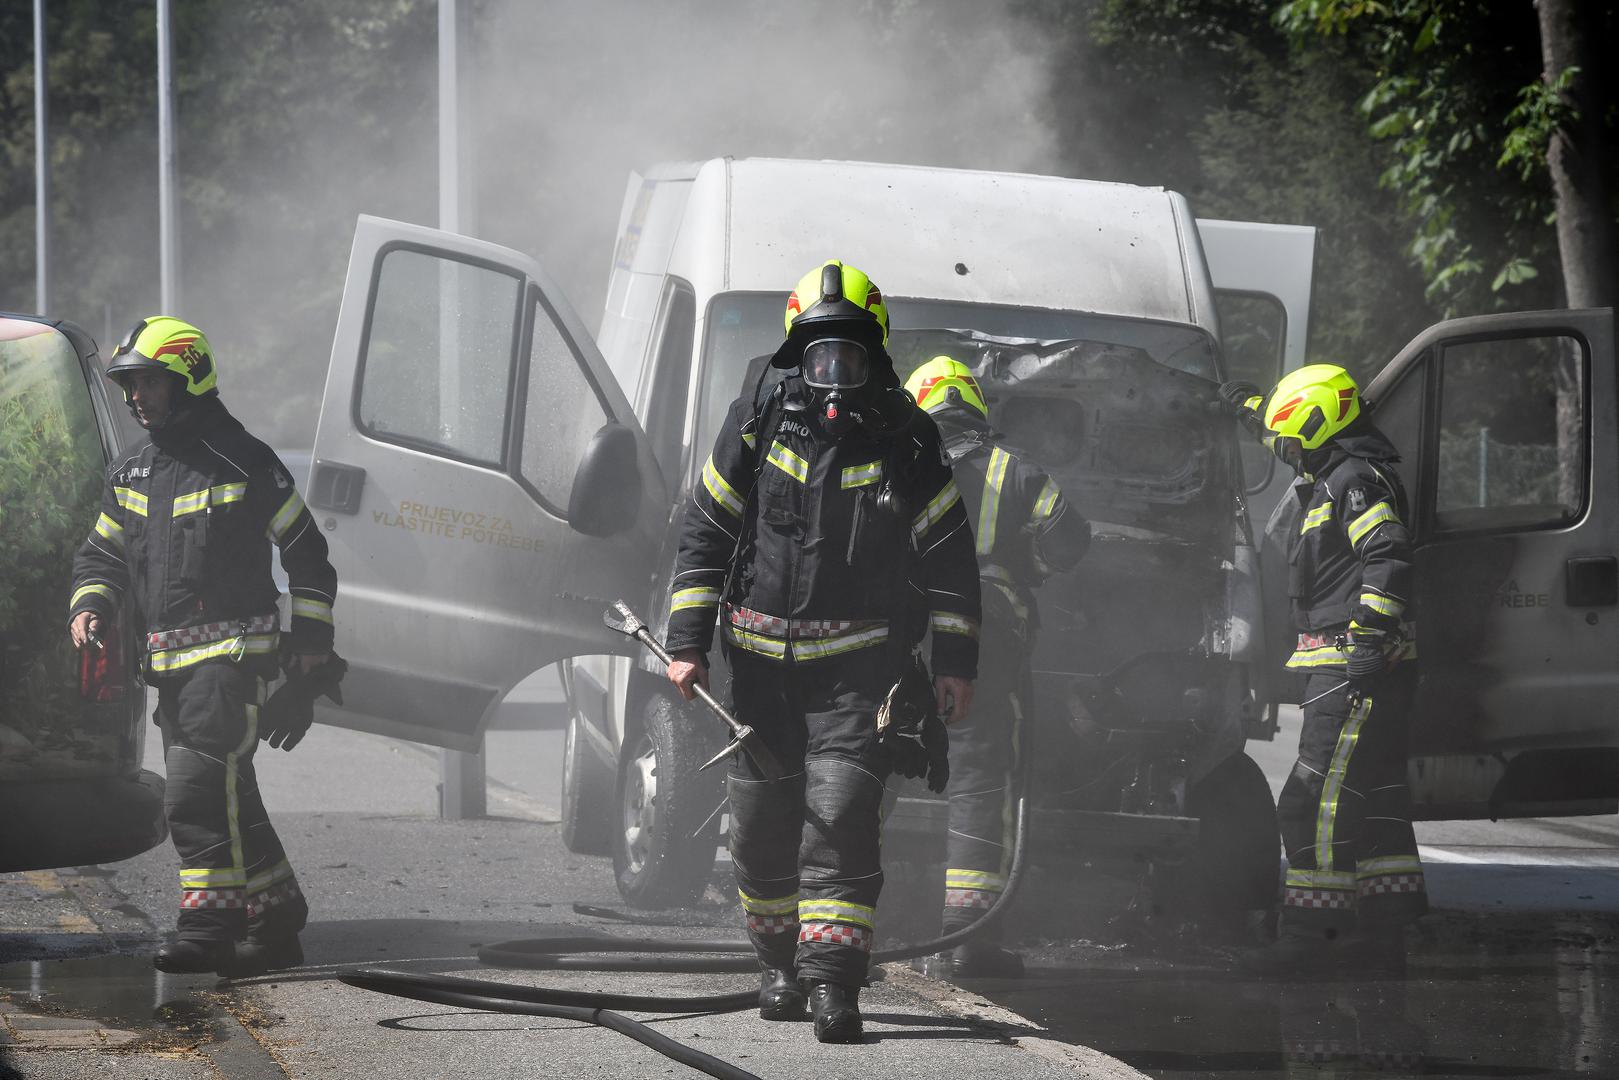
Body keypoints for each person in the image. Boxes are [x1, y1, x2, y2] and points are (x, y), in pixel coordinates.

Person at [664, 262, 981, 1043]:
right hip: (757, 672)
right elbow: (706, 530)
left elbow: (949, 556)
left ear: (875, 356)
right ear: (795, 355)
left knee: (838, 815)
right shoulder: (755, 422)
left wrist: (955, 663)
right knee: (760, 823)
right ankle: (777, 966)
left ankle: (834, 983)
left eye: (850, 355)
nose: (835, 374)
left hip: (857, 671)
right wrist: (685, 643)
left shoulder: (907, 438)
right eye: (820, 354)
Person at [68, 317, 339, 977]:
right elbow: (102, 554)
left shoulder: (243, 460)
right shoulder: (132, 470)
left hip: (231, 663)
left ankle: (209, 928)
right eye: (130, 385)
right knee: (229, 795)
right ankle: (276, 917)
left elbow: (308, 555)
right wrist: (91, 604)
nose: (136, 397)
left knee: (192, 794)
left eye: (149, 383)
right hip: (169, 672)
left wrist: (310, 647)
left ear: (189, 378)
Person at [1221, 365, 1425, 975]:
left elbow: (1387, 554)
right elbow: (1287, 438)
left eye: (1290, 438)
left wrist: (1367, 639)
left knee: (1312, 801)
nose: (1285, 450)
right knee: (1377, 800)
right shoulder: (1340, 469)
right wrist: (1251, 408)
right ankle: (1382, 937)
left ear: (1317, 425)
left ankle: (1313, 938)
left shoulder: (1353, 480)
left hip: (1351, 667)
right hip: (1369, 668)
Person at [903, 356, 1091, 977]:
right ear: (974, 408)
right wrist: (1027, 561)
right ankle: (966, 937)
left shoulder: (889, 463)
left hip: (897, 634)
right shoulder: (1016, 470)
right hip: (987, 637)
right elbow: (1071, 539)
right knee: (980, 777)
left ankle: (837, 924)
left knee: (865, 766)